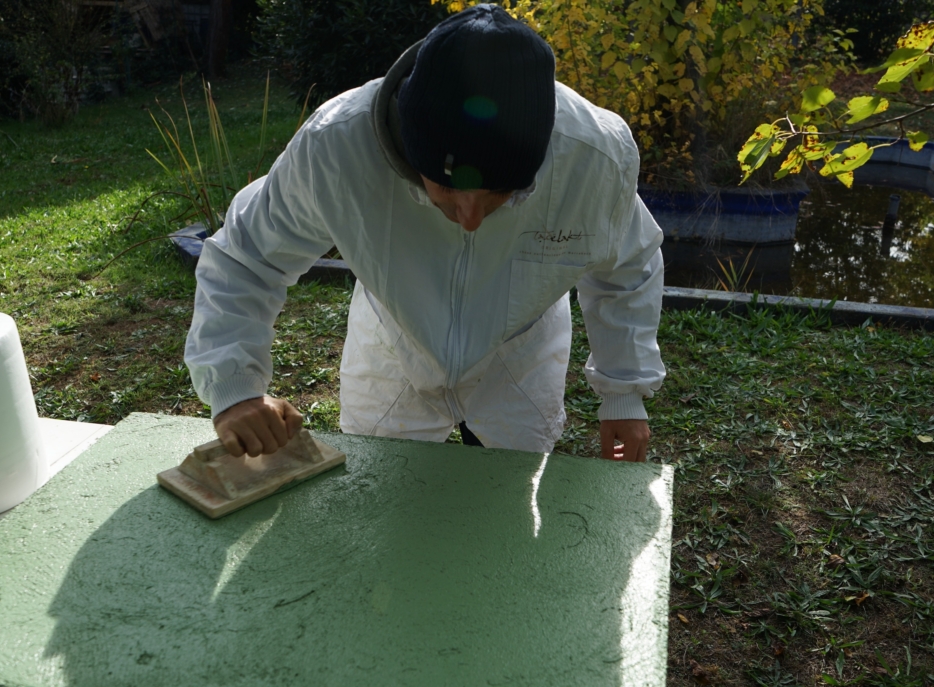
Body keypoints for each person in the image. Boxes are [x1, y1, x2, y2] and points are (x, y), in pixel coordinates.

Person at [184, 4, 666, 462]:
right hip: (394, 348)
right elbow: (249, 257)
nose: (470, 217)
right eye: (449, 189)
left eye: (501, 194)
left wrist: (624, 394)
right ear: (408, 148)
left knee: (504, 502)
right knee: (385, 498)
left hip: (519, 356)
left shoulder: (593, 157)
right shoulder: (337, 147)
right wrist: (235, 387)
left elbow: (629, 267)